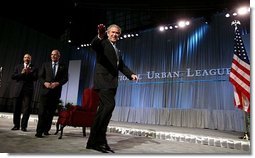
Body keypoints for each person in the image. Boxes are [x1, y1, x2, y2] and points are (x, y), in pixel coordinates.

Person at [86, 24, 138, 153]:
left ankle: (94, 142)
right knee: (109, 106)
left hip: (112, 83)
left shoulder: (117, 50)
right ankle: (100, 140)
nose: (115, 35)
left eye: (117, 33)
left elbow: (121, 66)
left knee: (104, 112)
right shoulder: (103, 43)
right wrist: (99, 35)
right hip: (103, 81)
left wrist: (130, 74)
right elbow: (94, 45)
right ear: (108, 33)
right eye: (113, 32)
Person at [35, 49, 68, 138]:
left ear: (59, 56)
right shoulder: (45, 64)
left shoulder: (63, 66)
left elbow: (65, 78)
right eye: (52, 54)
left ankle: (46, 130)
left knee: (50, 113)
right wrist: (45, 83)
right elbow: (40, 76)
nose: (53, 56)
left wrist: (57, 83)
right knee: (42, 112)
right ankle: (39, 131)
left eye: (55, 55)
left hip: (56, 92)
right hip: (45, 92)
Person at [11, 53, 38, 131]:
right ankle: (16, 125)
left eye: (28, 57)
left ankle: (23, 126)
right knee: (16, 108)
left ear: (30, 59)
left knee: (26, 109)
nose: (27, 59)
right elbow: (13, 76)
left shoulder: (34, 68)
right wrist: (22, 73)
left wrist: (29, 73)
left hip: (28, 91)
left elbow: (35, 78)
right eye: (25, 57)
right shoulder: (18, 66)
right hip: (18, 90)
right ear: (23, 58)